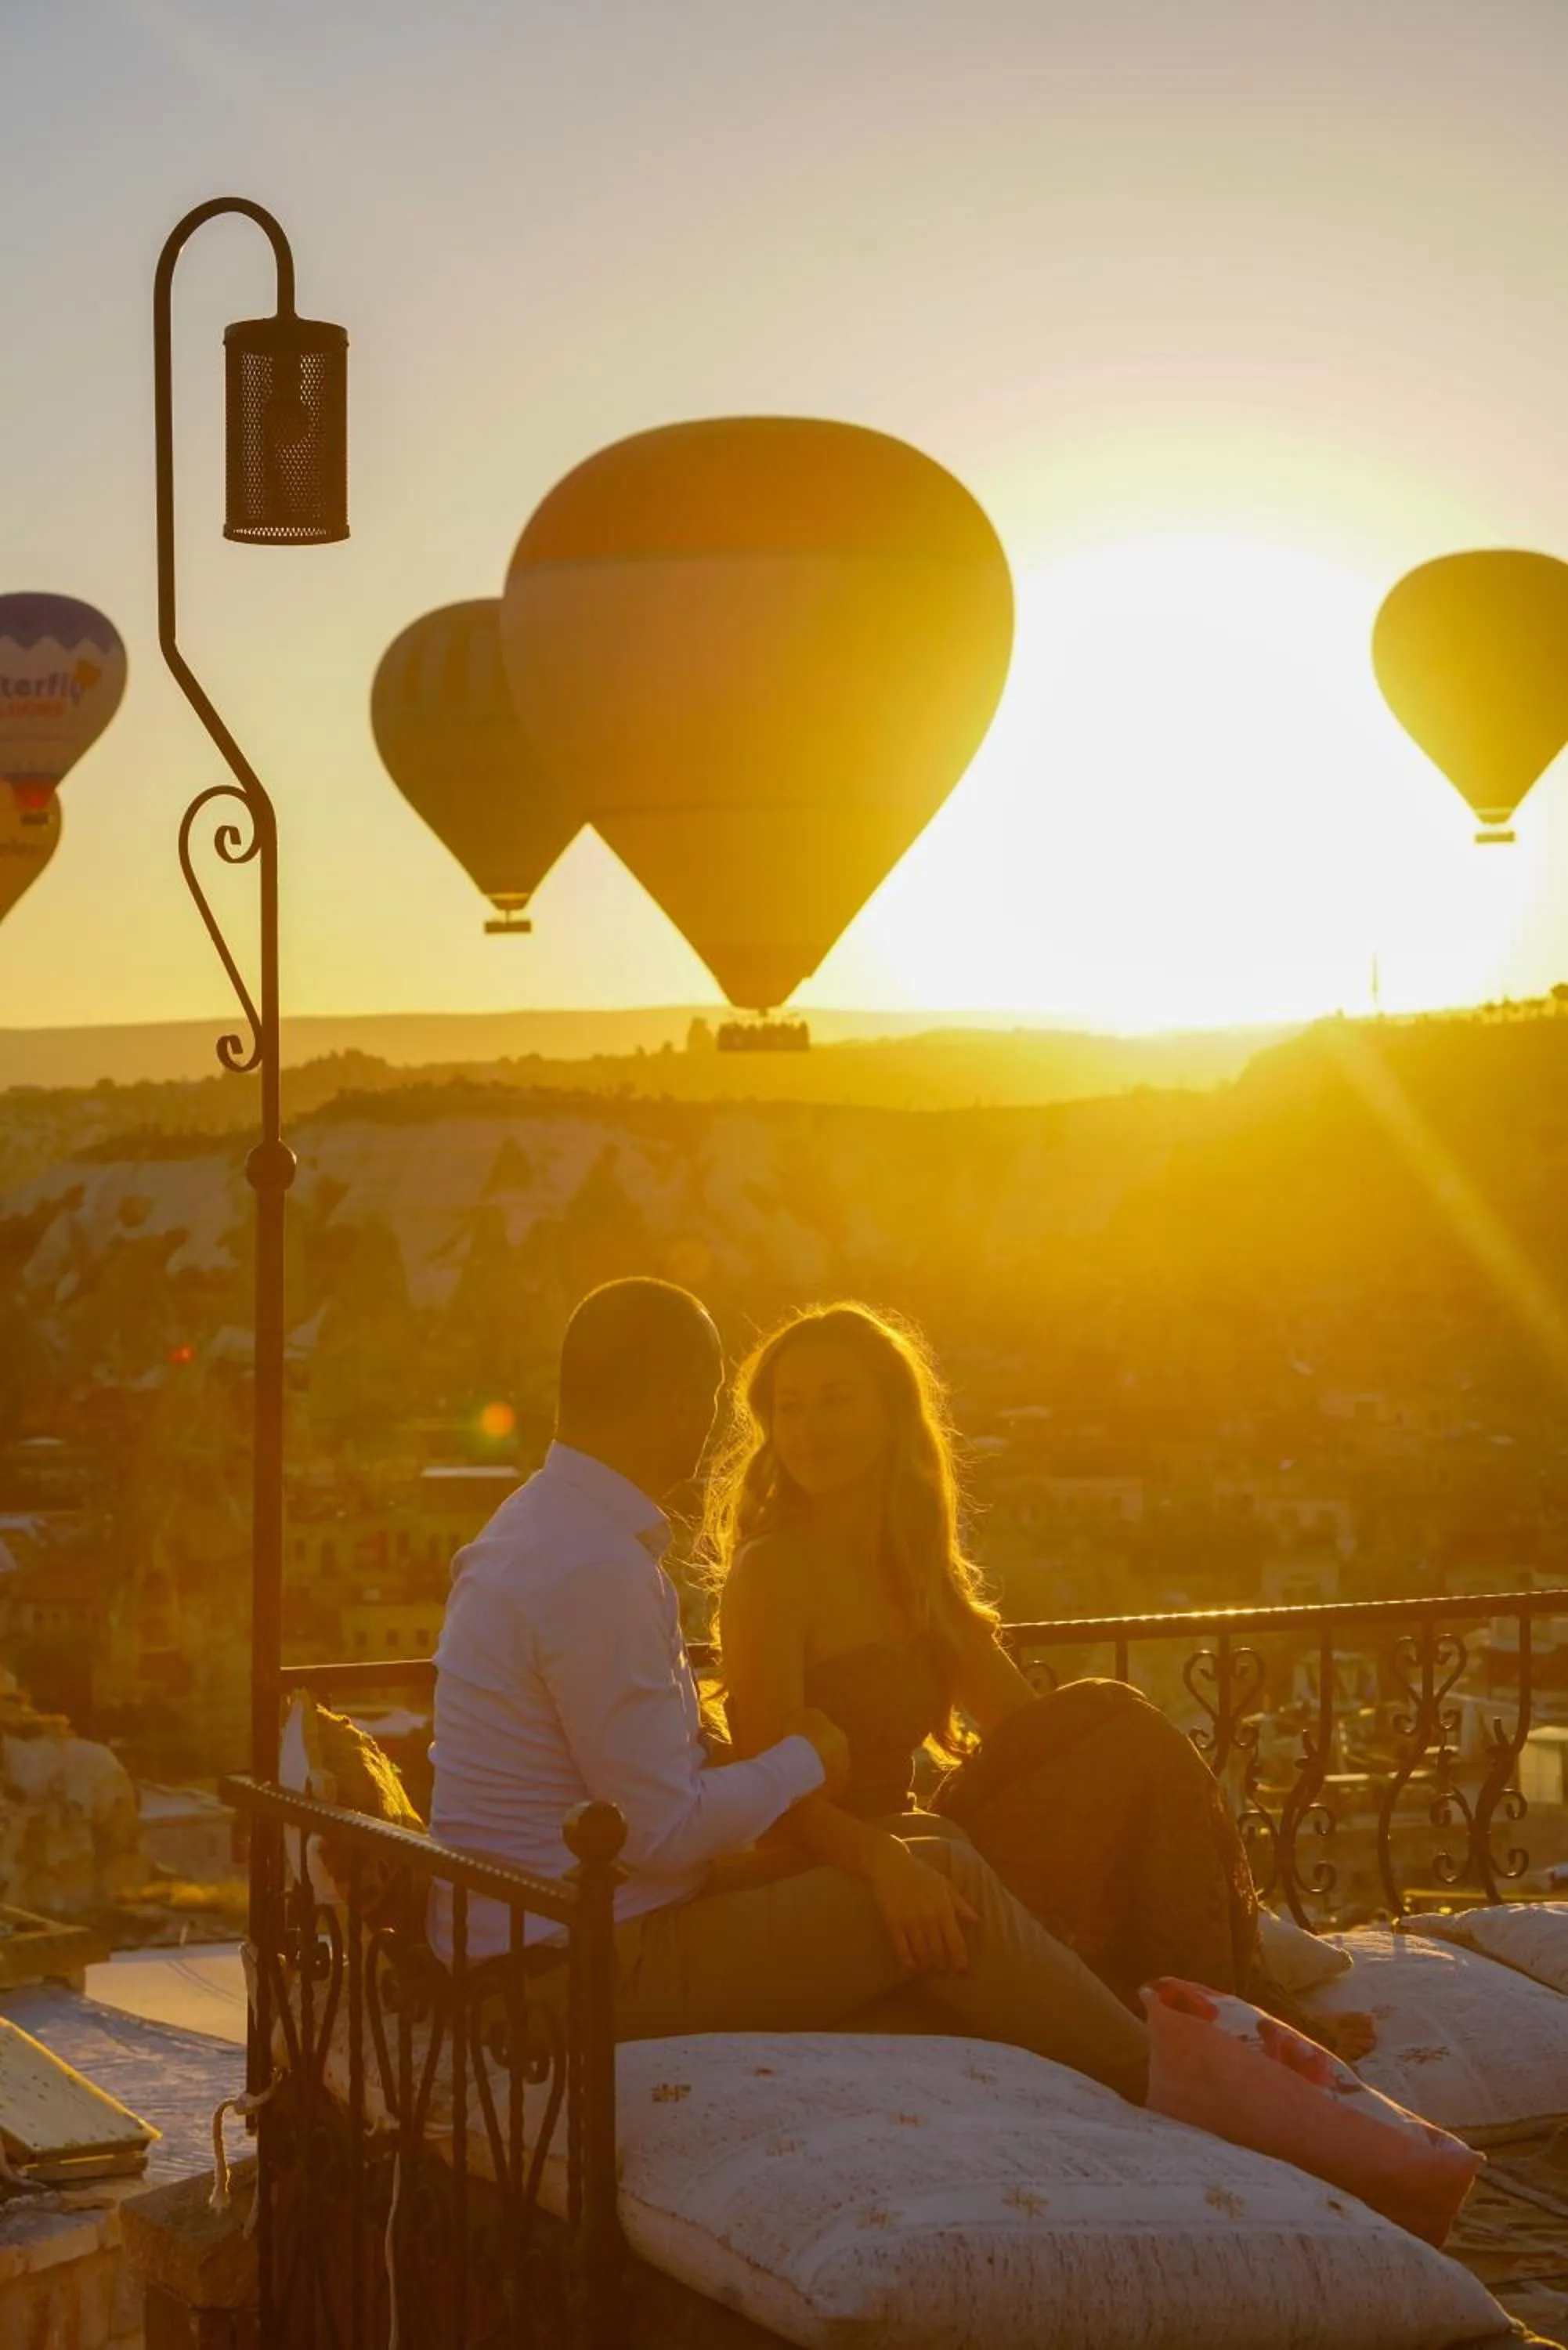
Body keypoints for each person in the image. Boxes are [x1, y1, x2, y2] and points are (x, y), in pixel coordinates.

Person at [429, 1277, 1150, 2102]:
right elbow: (660, 1836)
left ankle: (1117, 2047)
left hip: (544, 1935)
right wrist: (807, 1757)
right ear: (679, 1405)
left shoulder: (541, 1528)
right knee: (940, 1885)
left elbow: (647, 1793)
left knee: (924, 1852)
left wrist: (869, 1842)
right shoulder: (596, 1568)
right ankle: (1160, 2080)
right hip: (581, 1973)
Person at [710, 1300, 1373, 2056]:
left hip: (925, 1840)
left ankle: (1224, 2000)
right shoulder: (772, 1571)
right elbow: (771, 1799)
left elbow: (1032, 1736)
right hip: (837, 1861)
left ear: (893, 1416)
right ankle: (1219, 2019)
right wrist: (889, 1864)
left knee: (1112, 1719)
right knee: (1110, 1723)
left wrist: (1112, 1785)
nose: (808, 1429)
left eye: (836, 1400)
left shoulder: (911, 1564)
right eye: (788, 1408)